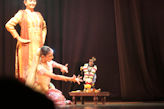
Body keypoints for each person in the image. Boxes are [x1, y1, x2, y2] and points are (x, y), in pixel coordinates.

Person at [5, 0, 47, 83]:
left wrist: (42, 40)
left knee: (38, 69)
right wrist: (19, 38)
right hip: (26, 45)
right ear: (25, 2)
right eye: (30, 1)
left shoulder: (39, 15)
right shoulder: (21, 13)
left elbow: (44, 28)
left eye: (34, 1)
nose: (32, 3)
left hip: (38, 46)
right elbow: (9, 25)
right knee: (27, 70)